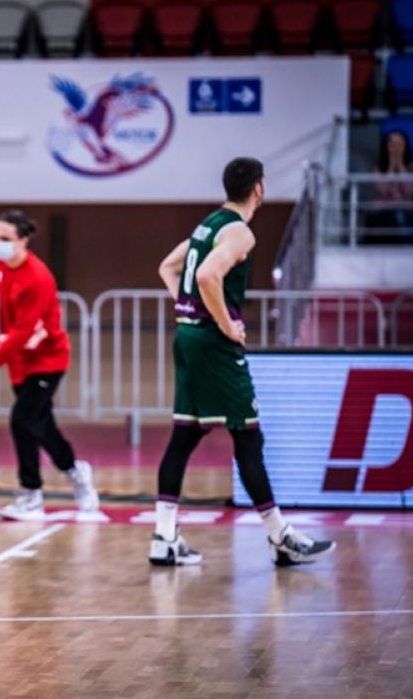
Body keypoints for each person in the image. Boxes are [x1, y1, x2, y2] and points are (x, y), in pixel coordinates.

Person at [152, 156, 335, 567]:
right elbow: (205, 277)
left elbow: (169, 266)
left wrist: (189, 310)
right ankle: (280, 536)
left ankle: (164, 536)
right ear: (260, 188)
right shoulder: (240, 233)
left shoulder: (208, 225)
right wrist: (225, 323)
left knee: (184, 436)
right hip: (214, 343)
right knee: (248, 438)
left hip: (187, 337)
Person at [0, 210, 98, 520]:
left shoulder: (37, 278)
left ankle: (31, 494)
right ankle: (76, 471)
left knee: (22, 420)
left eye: (6, 239)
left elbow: (22, 335)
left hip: (46, 360)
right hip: (19, 364)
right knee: (41, 425)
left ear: (23, 241)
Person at [367, 128, 413, 244]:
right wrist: (392, 167)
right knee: (394, 215)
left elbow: (410, 192)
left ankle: (404, 247)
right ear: (387, 147)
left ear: (405, 147)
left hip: (407, 210)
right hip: (384, 210)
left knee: (400, 214)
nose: (396, 148)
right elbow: (383, 190)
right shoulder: (378, 168)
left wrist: (402, 168)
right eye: (392, 144)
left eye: (400, 144)